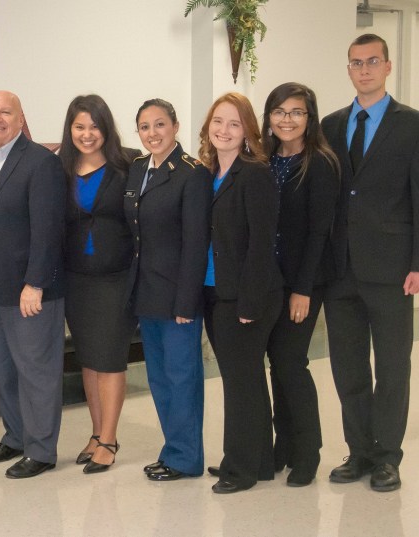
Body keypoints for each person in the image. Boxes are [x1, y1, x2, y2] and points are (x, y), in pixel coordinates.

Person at [321, 34, 419, 493]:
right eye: (356, 62)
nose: (364, 69)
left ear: (387, 66)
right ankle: (359, 451)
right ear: (348, 68)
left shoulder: (412, 125)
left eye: (372, 61)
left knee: (394, 366)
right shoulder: (331, 125)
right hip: (340, 271)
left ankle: (387, 457)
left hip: (393, 269)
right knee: (348, 367)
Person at [0, 90, 66, 479]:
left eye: (5, 111)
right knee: (1, 366)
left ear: (21, 117)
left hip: (28, 286)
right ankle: (16, 434)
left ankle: (41, 449)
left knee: (36, 368)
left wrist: (36, 283)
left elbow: (48, 229)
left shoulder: (40, 162)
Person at [200, 92, 283, 494]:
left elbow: (261, 245)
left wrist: (250, 302)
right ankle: (261, 461)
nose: (224, 130)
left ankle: (240, 468)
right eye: (218, 121)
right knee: (246, 379)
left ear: (248, 130)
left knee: (240, 383)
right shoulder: (211, 171)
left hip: (247, 298)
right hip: (216, 292)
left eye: (234, 123)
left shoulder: (255, 173)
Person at [128, 99, 212, 481]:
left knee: (183, 379)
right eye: (144, 127)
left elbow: (197, 243)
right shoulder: (137, 170)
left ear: (175, 126)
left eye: (159, 124)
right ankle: (172, 449)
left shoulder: (192, 174)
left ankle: (186, 458)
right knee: (160, 379)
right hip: (146, 293)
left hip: (178, 295)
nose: (152, 133)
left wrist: (187, 300)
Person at [262, 82, 340, 487]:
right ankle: (284, 445)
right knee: (277, 365)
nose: (286, 120)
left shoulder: (319, 163)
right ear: (269, 117)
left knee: (292, 363)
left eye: (296, 112)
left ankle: (308, 452)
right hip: (269, 283)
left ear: (309, 118)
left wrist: (303, 289)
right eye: (279, 111)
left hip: (302, 282)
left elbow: (317, 233)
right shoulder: (265, 159)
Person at [58, 95, 135, 474]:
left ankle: (110, 438)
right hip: (76, 279)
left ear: (106, 128)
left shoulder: (127, 167)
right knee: (89, 359)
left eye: (94, 126)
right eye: (79, 127)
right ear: (70, 130)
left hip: (115, 278)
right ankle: (95, 432)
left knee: (110, 359)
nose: (87, 134)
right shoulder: (61, 169)